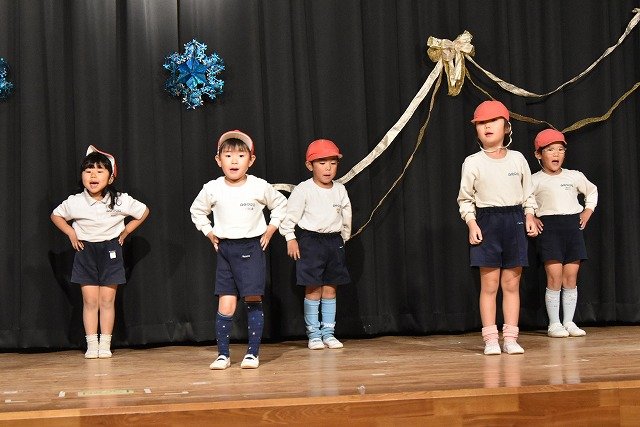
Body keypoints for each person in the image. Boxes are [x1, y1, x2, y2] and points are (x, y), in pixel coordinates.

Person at [190, 130, 287, 370]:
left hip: (251, 247)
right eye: (228, 155)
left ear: (251, 160)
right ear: (218, 160)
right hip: (225, 249)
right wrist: (209, 232)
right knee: (226, 304)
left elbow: (281, 204)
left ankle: (252, 354)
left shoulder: (258, 186)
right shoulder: (212, 188)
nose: (234, 161)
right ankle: (223, 355)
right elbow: (197, 211)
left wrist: (271, 229)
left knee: (252, 298)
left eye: (241, 155)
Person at [51, 146, 149, 359]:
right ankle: (91, 344)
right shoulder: (75, 201)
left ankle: (105, 344)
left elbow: (143, 211)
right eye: (88, 171)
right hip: (85, 251)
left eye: (99, 171)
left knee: (106, 300)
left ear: (110, 178)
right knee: (90, 301)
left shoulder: (119, 200)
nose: (93, 175)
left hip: (110, 251)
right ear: (82, 176)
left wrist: (126, 231)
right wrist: (70, 232)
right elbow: (56, 215)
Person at [457, 100, 538, 355]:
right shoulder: (473, 162)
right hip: (487, 221)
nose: (487, 126)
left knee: (511, 285)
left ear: (507, 127)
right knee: (489, 285)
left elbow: (528, 194)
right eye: (481, 123)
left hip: (514, 220)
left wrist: (529, 215)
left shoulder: (518, 159)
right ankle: (491, 339)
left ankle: (510, 338)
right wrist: (472, 223)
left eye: (493, 121)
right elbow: (465, 199)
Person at [279, 139, 352, 350]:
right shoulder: (304, 189)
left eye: (333, 163)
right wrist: (290, 238)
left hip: (334, 242)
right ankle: (314, 335)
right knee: (313, 289)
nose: (328, 168)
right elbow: (289, 217)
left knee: (330, 289)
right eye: (322, 162)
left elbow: (346, 214)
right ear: (310, 165)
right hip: (311, 242)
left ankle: (329, 333)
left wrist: (344, 237)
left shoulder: (340, 189)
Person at [531, 129, 598, 338]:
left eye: (560, 150)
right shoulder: (534, 180)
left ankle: (569, 321)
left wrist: (587, 211)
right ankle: (554, 323)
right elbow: (525, 201)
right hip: (549, 229)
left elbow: (592, 191)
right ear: (539, 154)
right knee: (555, 277)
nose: (556, 154)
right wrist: (531, 216)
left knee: (571, 278)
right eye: (550, 150)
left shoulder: (574, 176)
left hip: (572, 228)